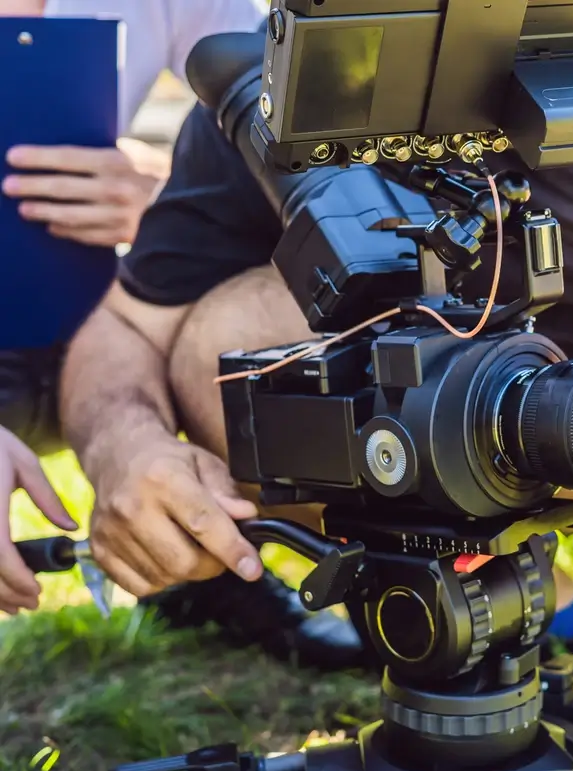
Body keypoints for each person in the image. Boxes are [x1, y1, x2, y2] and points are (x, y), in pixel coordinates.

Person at [51, 0, 573, 751]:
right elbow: (125, 328)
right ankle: (537, 623)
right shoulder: (287, 80)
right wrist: (127, 453)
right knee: (228, 339)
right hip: (493, 433)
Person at [0, 0, 367, 672]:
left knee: (205, 315)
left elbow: (261, 118)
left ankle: (199, 555)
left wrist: (159, 192)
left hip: (62, 316)